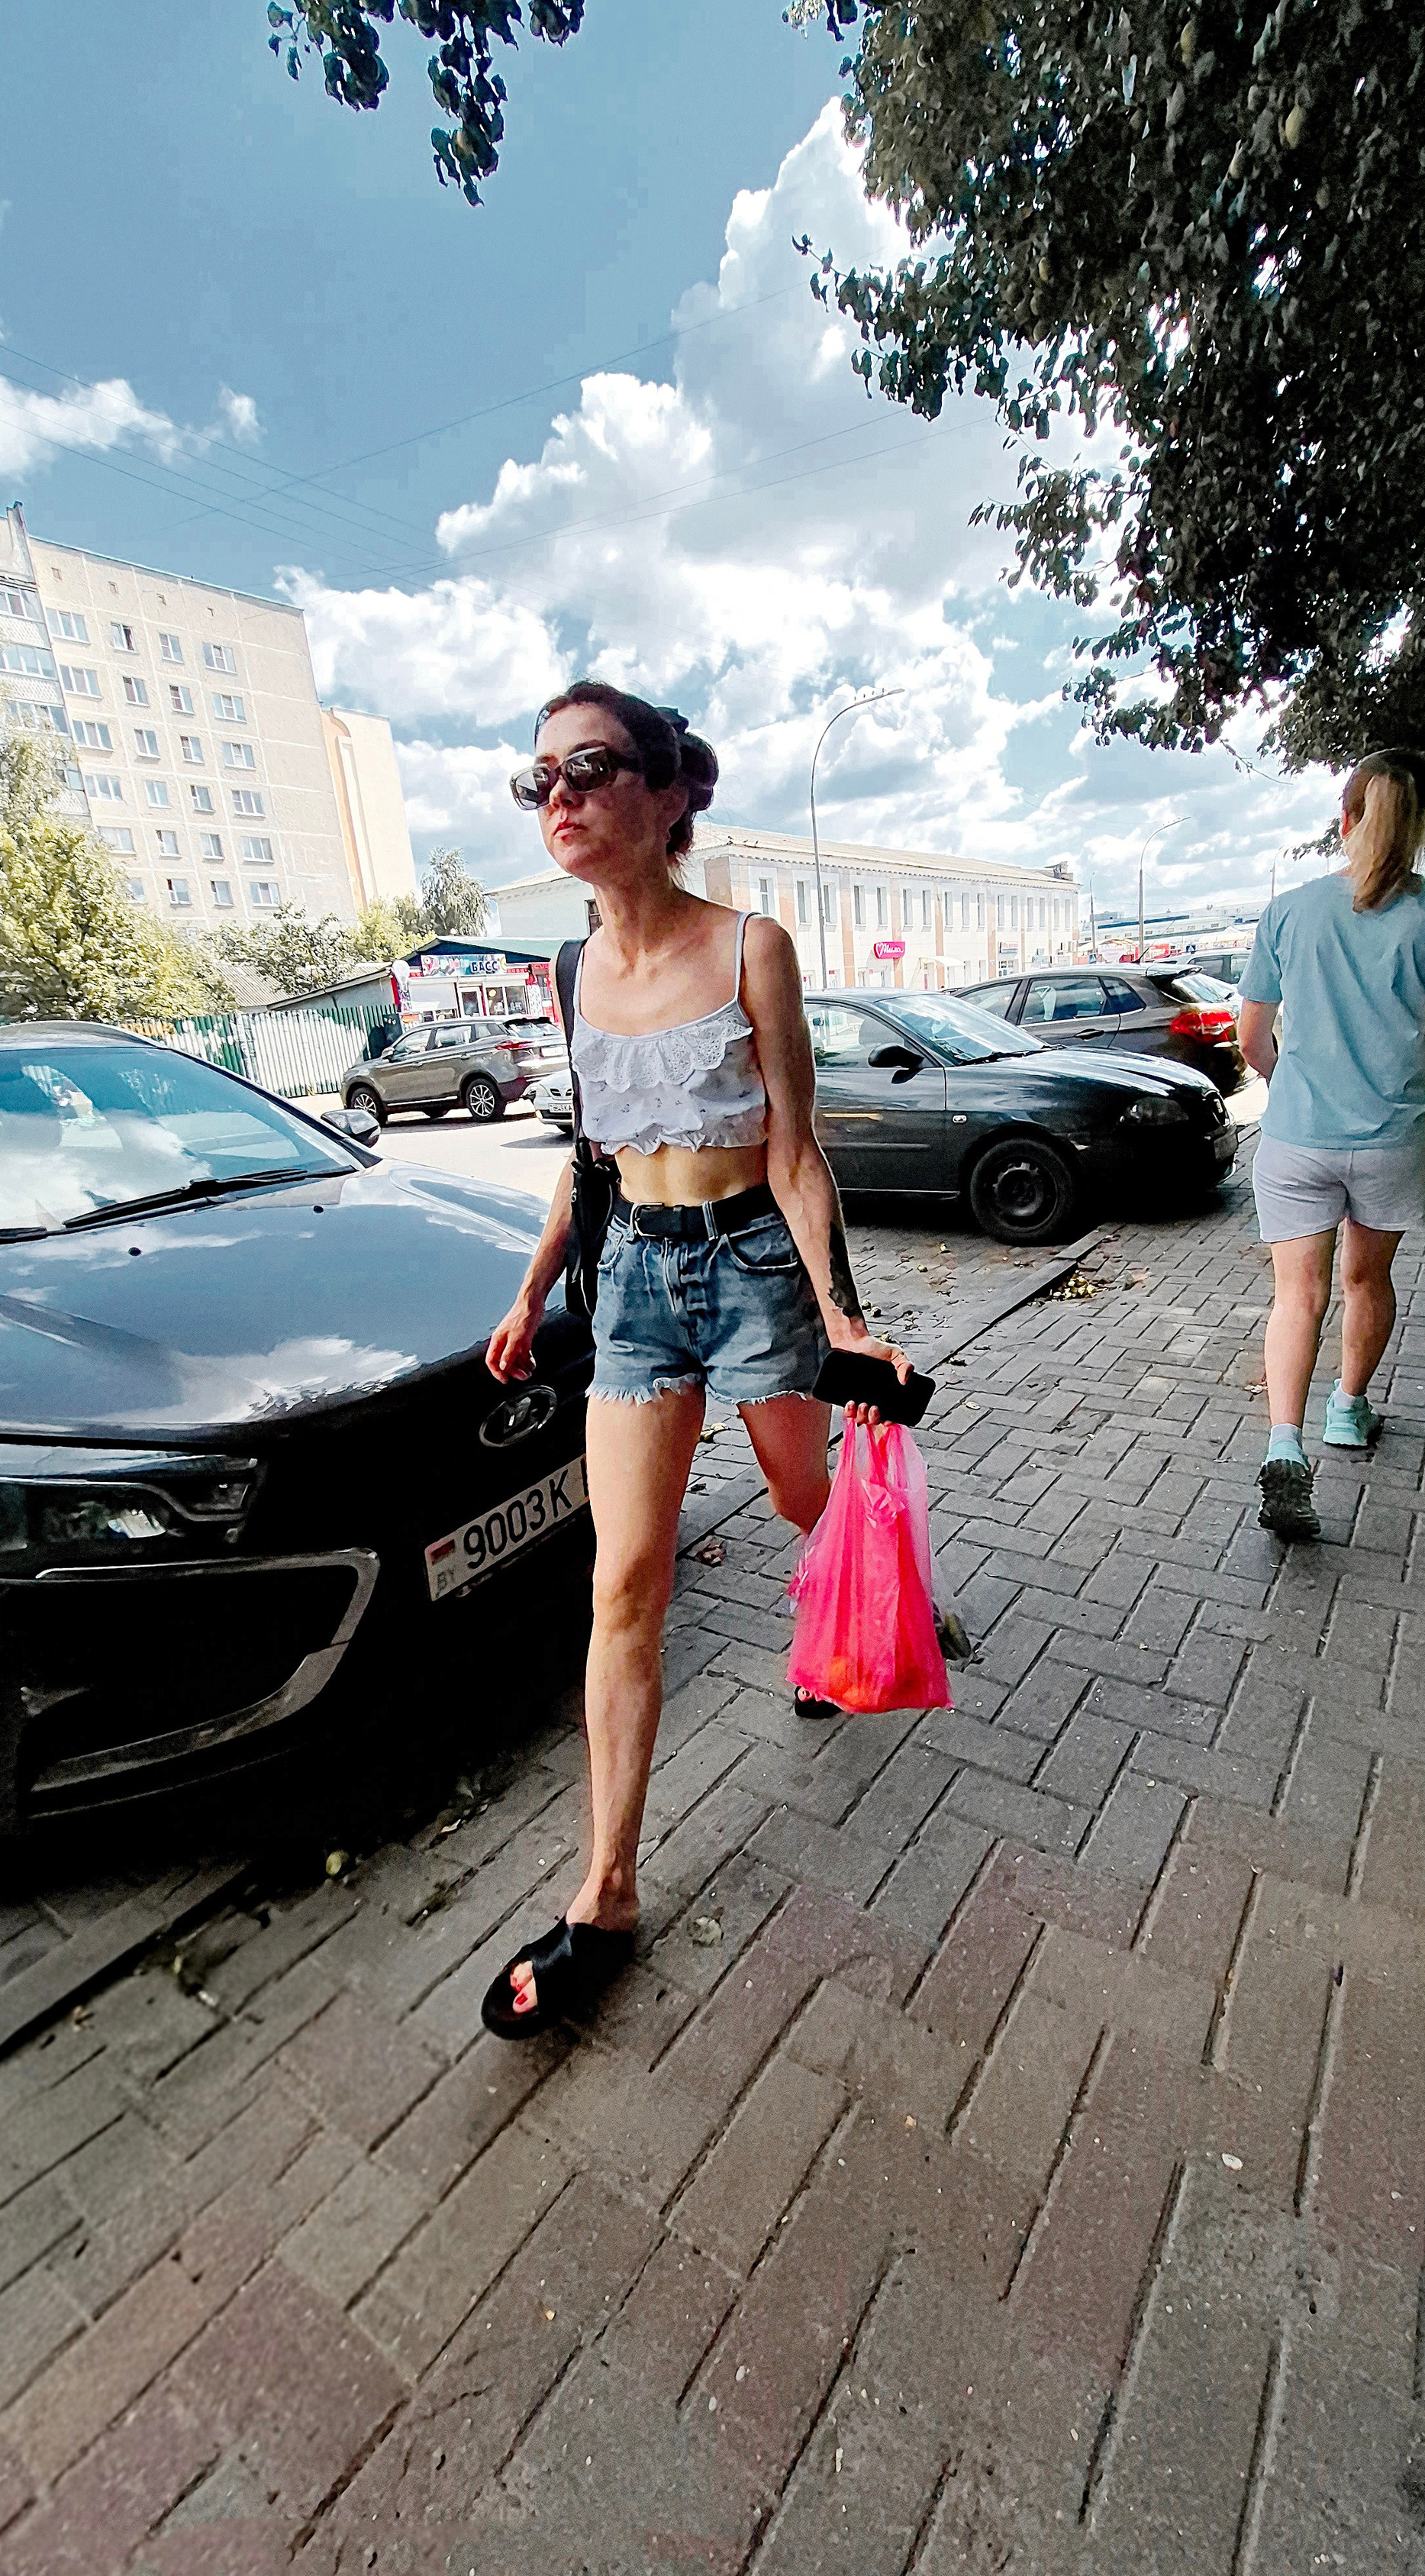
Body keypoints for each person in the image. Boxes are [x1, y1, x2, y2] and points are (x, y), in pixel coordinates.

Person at [477, 682, 911, 2037]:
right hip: (638, 1290)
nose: (559, 796)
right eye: (537, 777)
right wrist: (536, 1280)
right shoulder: (568, 971)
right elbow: (592, 1153)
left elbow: (794, 1150)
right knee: (624, 1580)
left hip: (754, 1268)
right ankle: (606, 1886)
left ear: (666, 796)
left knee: (800, 1499)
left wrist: (840, 1313)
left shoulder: (750, 948)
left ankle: (854, 1602)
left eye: (589, 768)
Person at [1238, 747, 1425, 1542]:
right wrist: (1399, 1042)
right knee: (1366, 1277)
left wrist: (1296, 1073)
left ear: (1344, 819)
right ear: (1423, 824)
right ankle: (1347, 1411)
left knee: (1298, 1295)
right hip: (1392, 1135)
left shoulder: (1289, 911)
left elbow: (1251, 1040)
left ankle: (1284, 1445)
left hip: (1297, 1137)